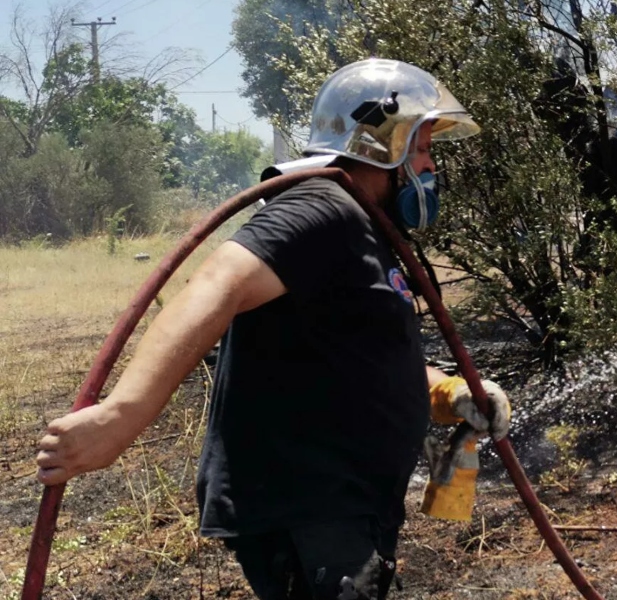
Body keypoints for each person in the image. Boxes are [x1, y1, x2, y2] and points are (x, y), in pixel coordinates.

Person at [34, 58, 510, 600]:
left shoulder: (365, 228)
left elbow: (358, 356)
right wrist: (123, 416)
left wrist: (447, 393)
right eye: (423, 148)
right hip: (307, 502)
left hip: (342, 503)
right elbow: (220, 283)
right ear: (385, 143)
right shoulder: (320, 207)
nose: (430, 167)